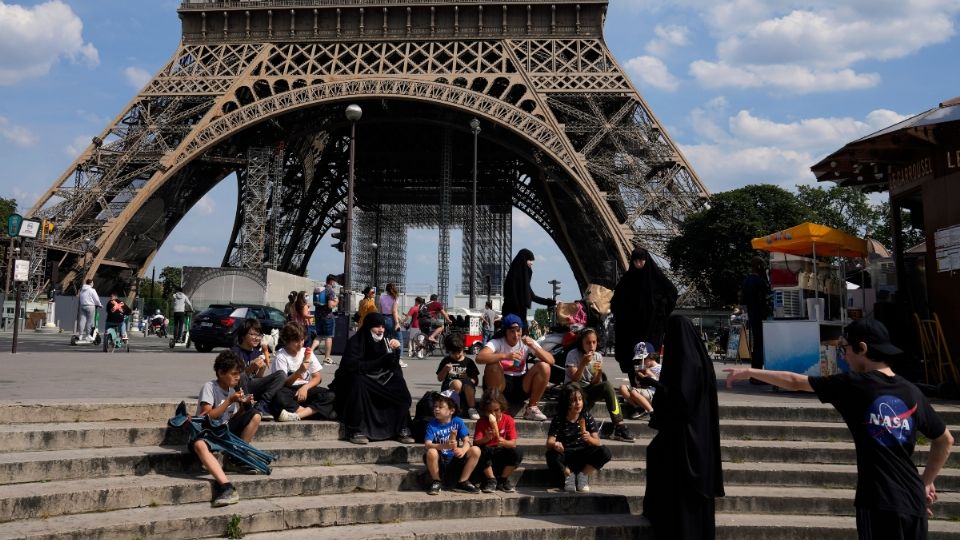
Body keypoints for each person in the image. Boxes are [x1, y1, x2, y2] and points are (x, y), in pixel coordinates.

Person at [725, 318, 954, 539]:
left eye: (845, 349)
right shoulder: (911, 391)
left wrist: (751, 372)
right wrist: (925, 481)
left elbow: (796, 382)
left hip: (878, 501)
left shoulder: (854, 385)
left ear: (862, 348)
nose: (844, 357)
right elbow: (945, 440)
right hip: (913, 502)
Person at [643, 315, 724, 540]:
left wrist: (652, 382)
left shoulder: (685, 362)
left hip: (685, 438)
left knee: (661, 458)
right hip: (699, 435)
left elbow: (680, 401)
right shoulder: (699, 359)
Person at [330, 312, 415, 445]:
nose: (381, 329)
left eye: (382, 326)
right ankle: (356, 429)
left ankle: (401, 427)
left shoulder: (386, 340)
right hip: (361, 377)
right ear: (369, 326)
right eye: (377, 326)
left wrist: (397, 350)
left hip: (380, 377)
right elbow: (351, 367)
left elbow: (391, 365)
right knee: (357, 383)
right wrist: (379, 362)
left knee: (399, 382)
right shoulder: (356, 341)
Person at [194, 351, 262, 506]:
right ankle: (226, 487)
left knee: (255, 415)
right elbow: (208, 416)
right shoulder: (210, 387)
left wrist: (244, 408)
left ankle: (235, 458)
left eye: (239, 374)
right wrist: (229, 401)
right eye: (234, 374)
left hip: (224, 430)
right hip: (208, 431)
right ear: (221, 372)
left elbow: (229, 419)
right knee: (199, 444)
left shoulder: (232, 391)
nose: (238, 377)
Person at [611, 247, 678, 387]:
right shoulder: (627, 281)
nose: (639, 264)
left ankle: (652, 386)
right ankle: (636, 385)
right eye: (636, 261)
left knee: (649, 357)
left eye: (642, 260)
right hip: (632, 330)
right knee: (633, 358)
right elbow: (616, 302)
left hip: (651, 329)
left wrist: (661, 311)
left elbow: (671, 293)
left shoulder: (657, 280)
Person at [475, 313, 555, 421]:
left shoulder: (526, 341)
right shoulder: (497, 342)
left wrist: (533, 346)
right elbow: (479, 358)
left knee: (544, 367)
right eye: (512, 331)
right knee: (492, 364)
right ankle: (496, 406)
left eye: (518, 330)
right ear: (505, 332)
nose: (516, 335)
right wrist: (505, 356)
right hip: (501, 384)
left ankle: (531, 408)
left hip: (521, 384)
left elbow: (551, 360)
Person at [564, 328, 634, 443]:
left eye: (594, 342)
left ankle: (619, 425)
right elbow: (574, 380)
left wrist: (600, 372)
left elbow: (595, 383)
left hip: (587, 392)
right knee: (575, 387)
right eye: (588, 342)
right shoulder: (573, 354)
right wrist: (583, 363)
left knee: (606, 385)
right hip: (573, 392)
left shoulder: (598, 356)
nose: (591, 346)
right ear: (581, 343)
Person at [545, 384, 612, 493]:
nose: (578, 403)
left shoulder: (586, 416)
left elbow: (597, 442)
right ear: (566, 403)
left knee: (605, 452)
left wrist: (589, 438)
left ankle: (583, 475)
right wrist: (555, 444)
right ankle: (568, 476)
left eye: (580, 399)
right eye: (574, 400)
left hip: (583, 455)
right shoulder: (559, 418)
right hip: (566, 455)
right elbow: (549, 442)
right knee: (551, 455)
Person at [268, 322, 336, 422]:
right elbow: (283, 383)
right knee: (279, 397)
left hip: (306, 388)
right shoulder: (281, 356)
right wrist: (298, 372)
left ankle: (296, 415)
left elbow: (317, 377)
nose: (300, 344)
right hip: (289, 389)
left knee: (331, 395)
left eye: (302, 339)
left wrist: (305, 387)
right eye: (296, 341)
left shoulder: (307, 352)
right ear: (286, 340)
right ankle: (312, 412)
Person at [423, 389, 482, 495]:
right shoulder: (432, 424)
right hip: (440, 460)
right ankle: (436, 481)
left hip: (454, 459)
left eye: (440, 407)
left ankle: (463, 481)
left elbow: (467, 441)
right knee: (431, 451)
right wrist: (442, 446)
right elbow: (427, 444)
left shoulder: (458, 422)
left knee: (475, 450)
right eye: (435, 406)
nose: (436, 409)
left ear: (451, 410)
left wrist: (463, 450)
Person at [230, 319, 286, 420]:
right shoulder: (234, 352)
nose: (257, 338)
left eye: (259, 335)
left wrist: (261, 369)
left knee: (281, 374)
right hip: (239, 389)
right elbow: (234, 378)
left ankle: (262, 404)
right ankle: (248, 408)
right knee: (241, 375)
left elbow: (257, 379)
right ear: (243, 335)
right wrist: (249, 369)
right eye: (253, 334)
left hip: (252, 387)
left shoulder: (257, 353)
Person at [472, 389, 522, 493]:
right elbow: (476, 442)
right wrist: (486, 438)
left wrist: (505, 442)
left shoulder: (508, 420)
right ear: (485, 411)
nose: (493, 414)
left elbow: (513, 443)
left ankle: (502, 480)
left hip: (502, 453)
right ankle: (491, 479)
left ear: (502, 408)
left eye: (496, 410)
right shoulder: (481, 422)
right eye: (490, 411)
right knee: (479, 450)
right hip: (487, 455)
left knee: (518, 451)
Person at [501, 249, 554, 323]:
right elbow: (531, 298)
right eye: (530, 260)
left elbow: (533, 297)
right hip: (514, 320)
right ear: (524, 260)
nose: (532, 263)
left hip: (518, 317)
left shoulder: (520, 282)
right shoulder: (515, 280)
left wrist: (553, 302)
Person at [436, 334, 481, 420]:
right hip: (450, 389)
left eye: (459, 352)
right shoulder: (446, 361)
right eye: (453, 353)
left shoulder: (468, 362)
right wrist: (445, 369)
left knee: (468, 384)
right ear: (448, 351)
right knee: (457, 383)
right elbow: (439, 378)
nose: (456, 356)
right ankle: (453, 408)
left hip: (466, 389)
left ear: (463, 349)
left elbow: (475, 379)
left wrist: (472, 380)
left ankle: (472, 408)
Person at [741, 256, 770, 373]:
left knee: (756, 343)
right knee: (760, 343)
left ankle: (755, 371)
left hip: (752, 313)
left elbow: (743, 300)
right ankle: (758, 373)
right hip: (759, 314)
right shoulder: (759, 281)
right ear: (759, 266)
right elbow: (768, 293)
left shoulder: (746, 280)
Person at [618, 342, 660, 419]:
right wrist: (638, 379)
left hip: (652, 393)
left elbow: (660, 384)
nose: (640, 362)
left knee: (634, 392)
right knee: (622, 387)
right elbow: (638, 384)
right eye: (639, 360)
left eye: (642, 359)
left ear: (650, 356)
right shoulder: (643, 368)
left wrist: (650, 375)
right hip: (642, 392)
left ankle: (651, 411)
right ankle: (639, 408)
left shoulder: (659, 368)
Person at [314, 275, 339, 365]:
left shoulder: (321, 289)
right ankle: (327, 358)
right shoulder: (330, 291)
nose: (335, 284)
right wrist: (337, 302)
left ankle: (309, 352)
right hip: (327, 317)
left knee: (319, 336)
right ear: (332, 281)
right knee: (329, 337)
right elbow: (330, 305)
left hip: (318, 316)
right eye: (334, 282)